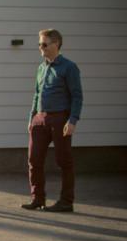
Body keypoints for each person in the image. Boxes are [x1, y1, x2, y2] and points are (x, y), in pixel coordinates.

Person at [22, 28, 83, 213]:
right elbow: (37, 93)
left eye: (44, 44)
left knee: (64, 161)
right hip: (40, 119)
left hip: (60, 119)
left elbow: (77, 96)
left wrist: (72, 121)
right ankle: (37, 199)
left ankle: (66, 202)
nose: (41, 48)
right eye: (39, 44)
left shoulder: (69, 67)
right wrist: (32, 118)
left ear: (56, 44)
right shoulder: (41, 68)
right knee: (34, 160)